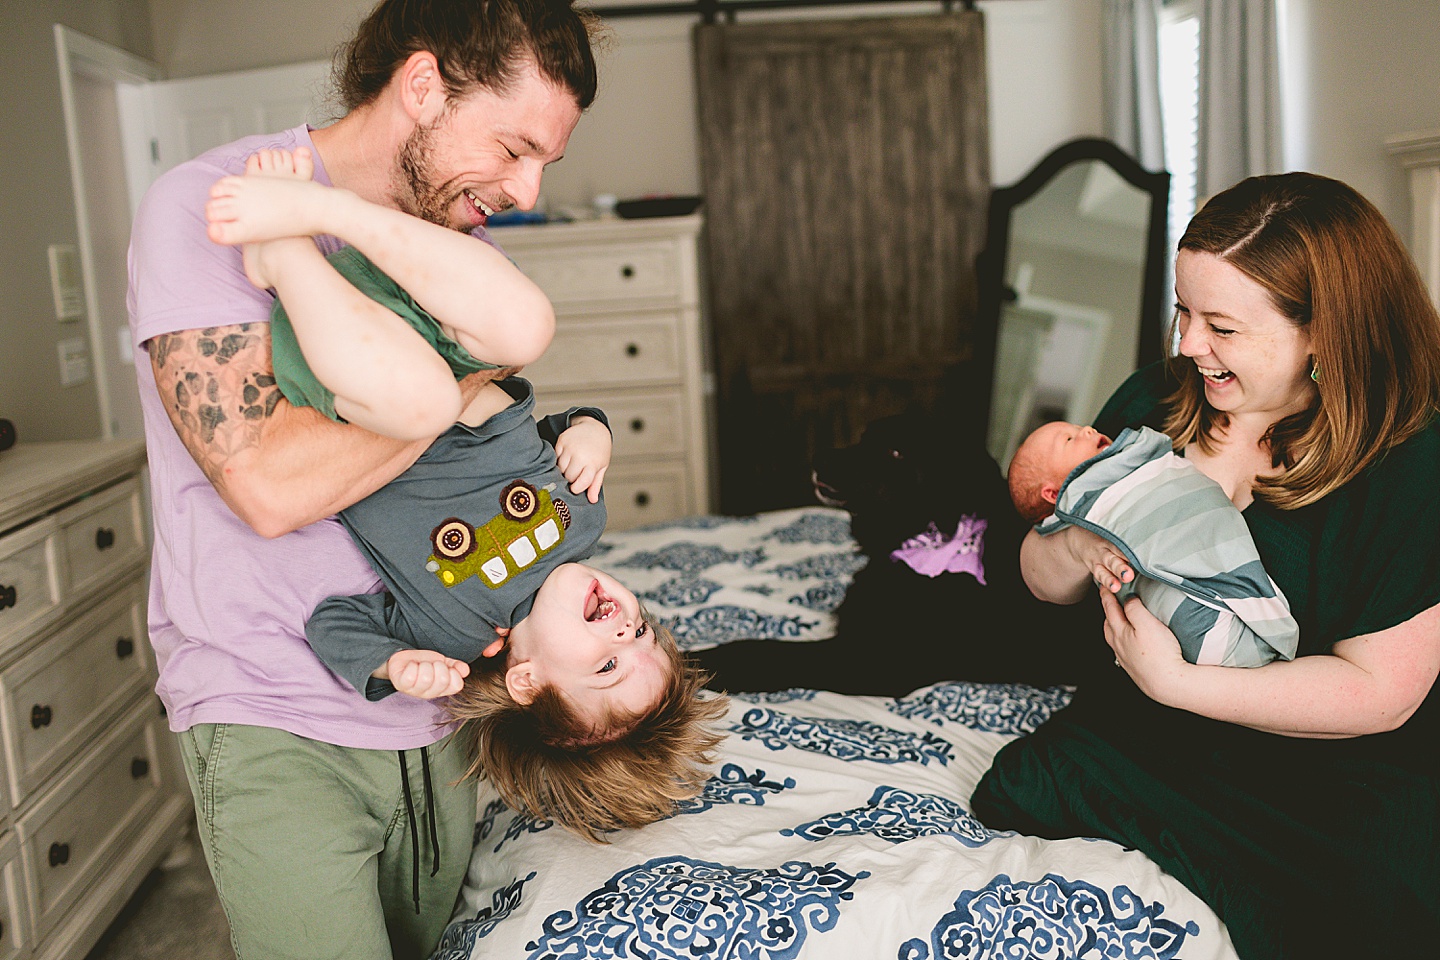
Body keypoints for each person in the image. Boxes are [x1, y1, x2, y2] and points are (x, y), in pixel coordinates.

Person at [126, 3, 604, 957]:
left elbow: (495, 430)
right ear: (423, 87)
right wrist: (449, 389)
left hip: (439, 710)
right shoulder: (209, 204)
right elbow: (267, 485)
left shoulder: (446, 242)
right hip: (273, 708)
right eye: (513, 148)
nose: (526, 187)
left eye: (545, 162)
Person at [971, 172, 1440, 958]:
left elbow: (1380, 694)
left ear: (1324, 332)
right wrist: (1076, 545)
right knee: (1020, 785)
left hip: (1324, 766)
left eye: (1220, 325)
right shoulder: (1154, 401)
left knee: (1383, 893)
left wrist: (1179, 684)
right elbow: (1034, 575)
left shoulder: (1409, 462)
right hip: (1145, 730)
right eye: (1183, 311)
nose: (1188, 344)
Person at [206, 147, 727, 843]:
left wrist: (391, 665)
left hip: (361, 383)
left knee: (416, 395)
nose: (623, 629)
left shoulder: (452, 629)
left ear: (527, 682)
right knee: (526, 326)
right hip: (436, 333)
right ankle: (347, 225)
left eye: (606, 664)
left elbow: (333, 623)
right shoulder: (586, 516)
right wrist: (591, 432)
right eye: (643, 635)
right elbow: (554, 428)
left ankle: (285, 255)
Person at [1007, 419, 1298, 667]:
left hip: (1204, 680)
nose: (1086, 429)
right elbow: (1034, 567)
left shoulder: (1134, 454)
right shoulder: (1080, 501)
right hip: (1150, 653)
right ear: (1052, 493)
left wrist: (1173, 682)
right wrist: (1079, 542)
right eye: (1069, 439)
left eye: (1077, 427)